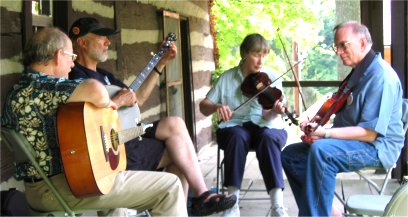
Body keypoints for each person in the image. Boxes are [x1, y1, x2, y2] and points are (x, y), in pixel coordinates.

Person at [1, 27, 187, 216]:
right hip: (63, 189)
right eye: (70, 56)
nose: (72, 64)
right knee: (170, 187)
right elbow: (95, 89)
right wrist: (114, 103)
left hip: (39, 190)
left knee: (117, 206)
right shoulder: (46, 87)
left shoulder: (18, 90)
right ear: (58, 55)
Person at [68, 17, 236, 216]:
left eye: (107, 38)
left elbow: (136, 99)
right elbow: (84, 118)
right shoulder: (75, 77)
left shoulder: (106, 76)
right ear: (82, 42)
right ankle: (199, 198)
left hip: (129, 137)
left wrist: (161, 63)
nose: (108, 42)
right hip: (111, 149)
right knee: (177, 152)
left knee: (176, 132)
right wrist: (119, 102)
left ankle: (202, 195)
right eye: (101, 37)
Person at [281, 21, 404, 216]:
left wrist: (326, 134)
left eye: (343, 45)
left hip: (378, 147)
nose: (338, 51)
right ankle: (328, 211)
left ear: (362, 43)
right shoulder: (360, 72)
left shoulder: (381, 76)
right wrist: (318, 130)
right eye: (336, 46)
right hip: (356, 140)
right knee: (291, 155)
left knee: (323, 152)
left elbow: (370, 134)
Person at [199, 33, 289, 217]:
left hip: (266, 126)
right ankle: (232, 204)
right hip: (235, 128)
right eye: (257, 54)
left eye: (264, 55)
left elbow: (268, 116)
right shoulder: (227, 77)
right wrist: (217, 106)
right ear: (245, 54)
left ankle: (277, 206)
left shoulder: (270, 77)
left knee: (269, 137)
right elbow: (203, 106)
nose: (261, 60)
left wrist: (274, 111)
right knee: (237, 136)